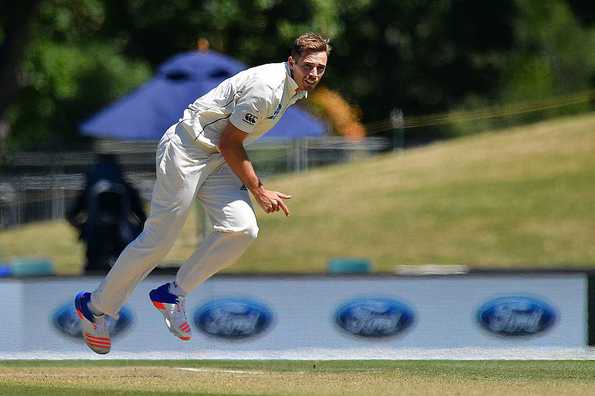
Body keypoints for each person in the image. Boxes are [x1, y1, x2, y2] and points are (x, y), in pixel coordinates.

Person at [74, 33, 330, 354]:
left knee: (242, 229)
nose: (314, 74)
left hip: (217, 159)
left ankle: (172, 293)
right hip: (185, 149)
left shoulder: (292, 89)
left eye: (320, 68)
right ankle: (95, 308)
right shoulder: (267, 88)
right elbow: (230, 142)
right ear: (291, 61)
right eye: (308, 66)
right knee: (159, 240)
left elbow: (228, 145)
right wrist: (259, 190)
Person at [67, 153, 146, 273]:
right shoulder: (126, 187)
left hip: (94, 241)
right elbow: (141, 216)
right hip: (121, 242)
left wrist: (83, 229)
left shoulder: (88, 189)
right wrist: (135, 233)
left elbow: (71, 215)